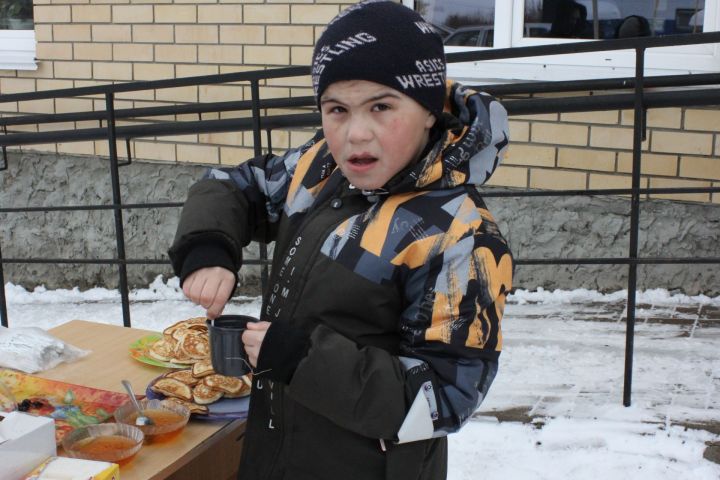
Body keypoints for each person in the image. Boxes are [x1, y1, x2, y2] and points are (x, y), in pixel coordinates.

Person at [168, 1, 513, 479]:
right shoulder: (321, 169)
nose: (356, 134)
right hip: (278, 450)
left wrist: (301, 359)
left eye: (381, 106)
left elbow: (446, 397)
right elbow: (234, 186)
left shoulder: (459, 237)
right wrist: (208, 247)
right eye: (337, 110)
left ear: (430, 112)